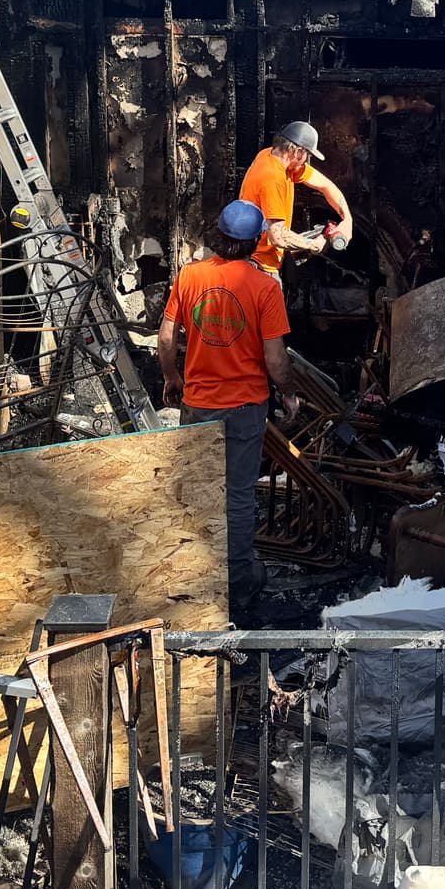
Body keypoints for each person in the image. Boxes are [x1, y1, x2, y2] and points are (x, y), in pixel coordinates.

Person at [157, 199, 296, 620]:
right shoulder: (266, 289)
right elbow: (275, 361)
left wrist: (172, 379)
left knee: (195, 495)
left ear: (218, 236)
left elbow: (166, 339)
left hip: (197, 405)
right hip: (245, 408)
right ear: (256, 243)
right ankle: (236, 587)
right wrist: (288, 393)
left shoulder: (189, 276)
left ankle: (190, 582)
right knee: (236, 498)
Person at [238, 119, 355, 279]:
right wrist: (314, 244)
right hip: (260, 265)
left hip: (265, 259)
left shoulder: (271, 156)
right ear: (297, 152)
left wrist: (347, 220)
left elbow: (326, 186)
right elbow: (278, 237)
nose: (306, 160)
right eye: (307, 155)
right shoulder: (272, 178)